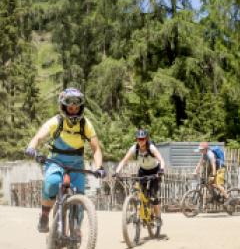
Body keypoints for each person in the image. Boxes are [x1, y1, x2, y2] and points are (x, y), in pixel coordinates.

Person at [25, 88, 106, 233]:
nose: (73, 110)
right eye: (70, 107)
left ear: (81, 107)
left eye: (76, 107)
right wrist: (32, 147)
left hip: (77, 164)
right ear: (64, 107)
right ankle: (44, 215)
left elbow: (96, 149)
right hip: (56, 161)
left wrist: (99, 167)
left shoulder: (85, 124)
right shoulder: (57, 121)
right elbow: (38, 137)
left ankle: (75, 234)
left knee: (80, 199)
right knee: (51, 183)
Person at [115, 129, 165, 221]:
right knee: (141, 192)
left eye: (143, 139)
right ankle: (140, 210)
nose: (141, 141)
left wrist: (161, 170)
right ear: (136, 139)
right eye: (139, 139)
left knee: (153, 196)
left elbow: (161, 159)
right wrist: (117, 171)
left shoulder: (151, 148)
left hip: (155, 171)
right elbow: (124, 160)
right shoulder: (134, 148)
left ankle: (158, 217)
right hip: (143, 171)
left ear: (146, 139)